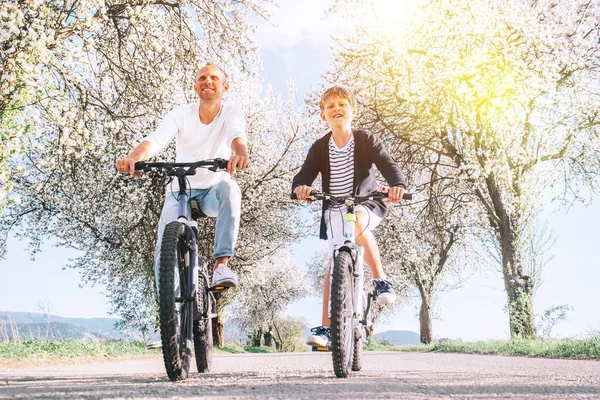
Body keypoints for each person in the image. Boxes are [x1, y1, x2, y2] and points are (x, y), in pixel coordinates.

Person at [115, 63, 250, 349]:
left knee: (230, 187)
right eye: (202, 78)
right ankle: (169, 321)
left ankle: (220, 265)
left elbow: (237, 135)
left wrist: (239, 152)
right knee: (164, 244)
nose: (208, 81)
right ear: (195, 86)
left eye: (215, 78)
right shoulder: (181, 114)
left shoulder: (231, 112)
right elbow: (156, 139)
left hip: (213, 189)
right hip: (181, 190)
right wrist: (134, 158)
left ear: (225, 87)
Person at [291, 86, 406, 348]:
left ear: (353, 111)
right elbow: (304, 174)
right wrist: (301, 188)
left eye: (342, 104)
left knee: (358, 226)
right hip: (334, 207)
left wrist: (397, 185)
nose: (336, 109)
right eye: (330, 106)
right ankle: (327, 328)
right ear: (323, 116)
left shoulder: (366, 139)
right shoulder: (320, 147)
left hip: (365, 203)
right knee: (334, 264)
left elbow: (389, 166)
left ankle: (380, 280)